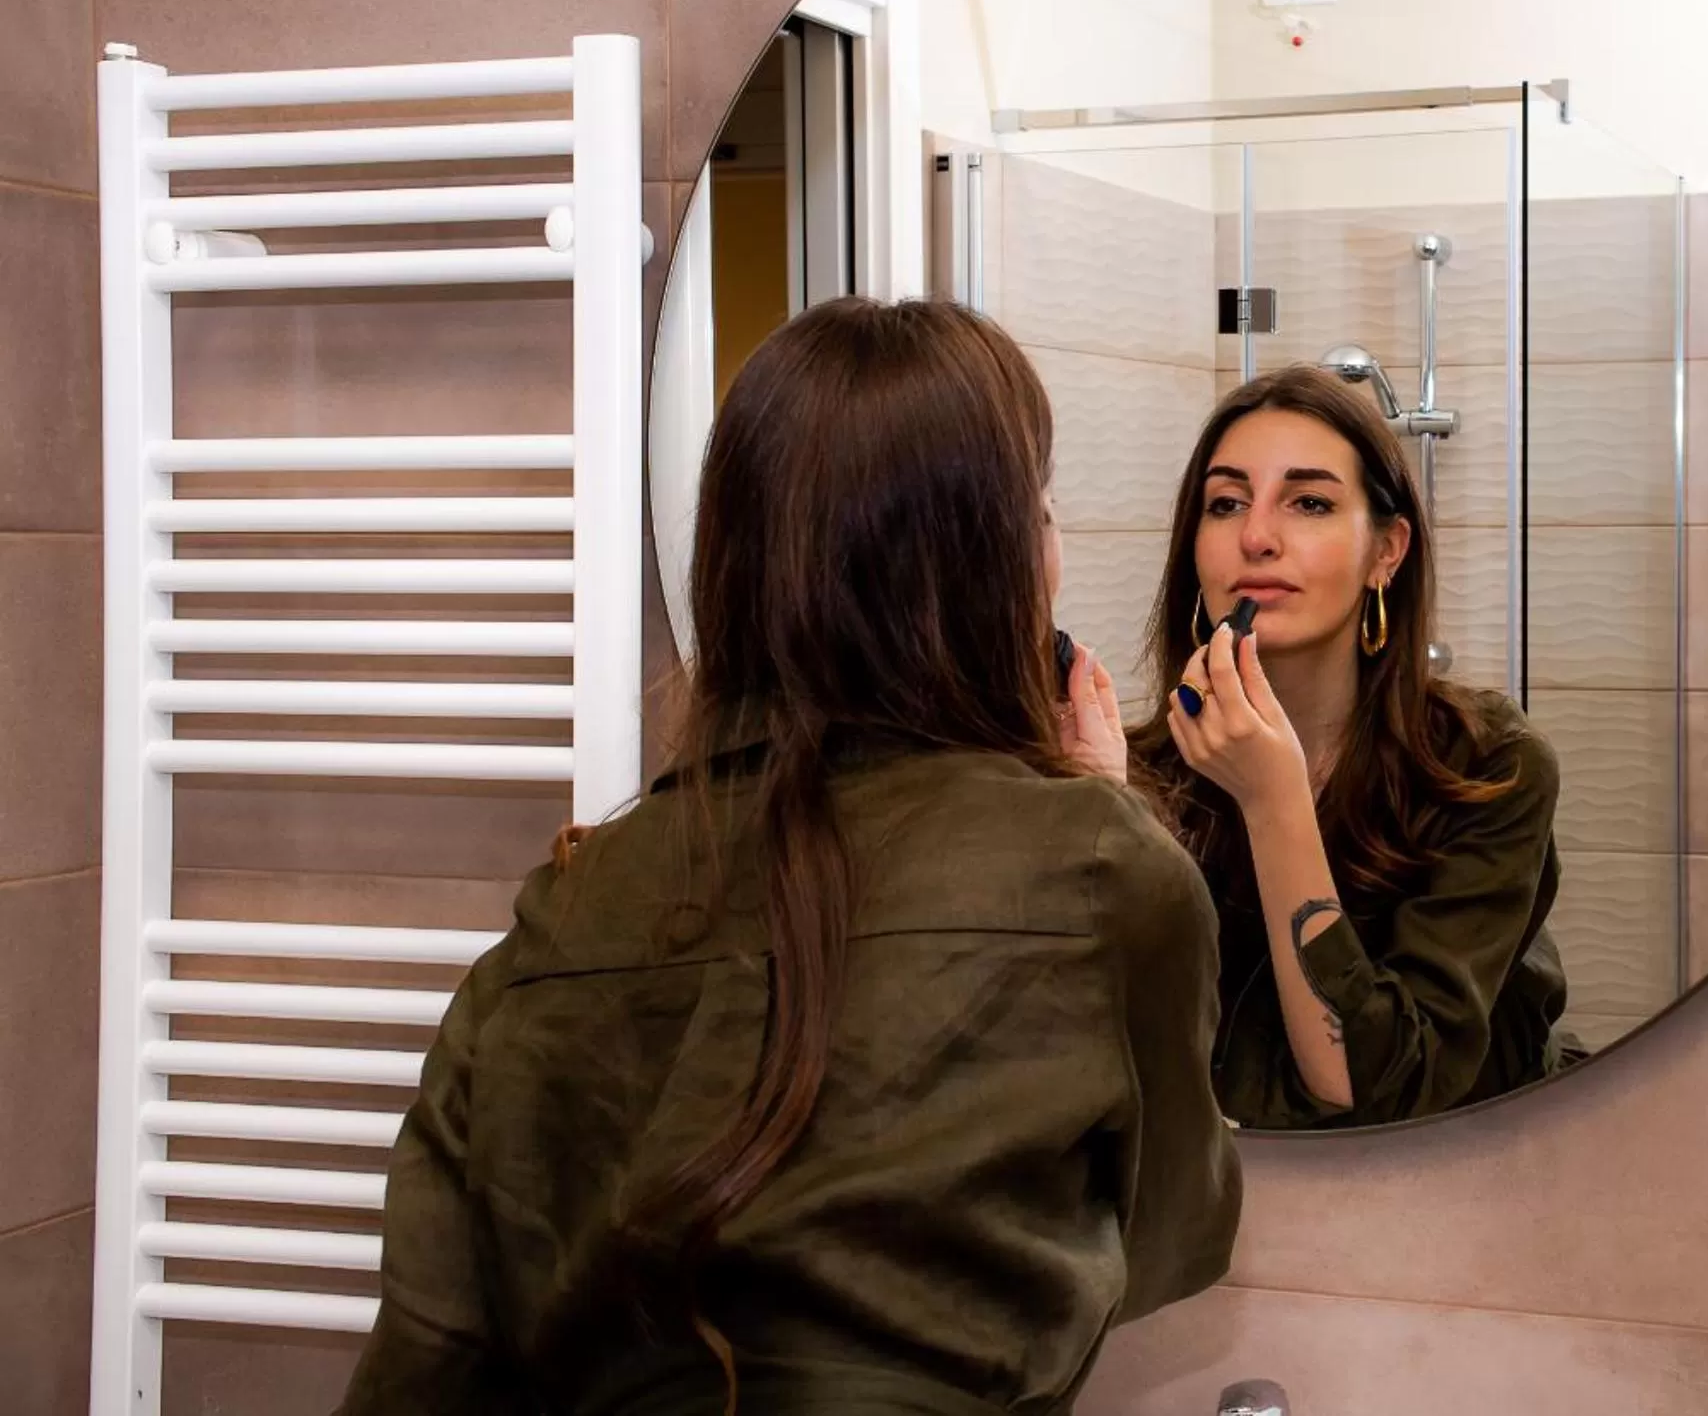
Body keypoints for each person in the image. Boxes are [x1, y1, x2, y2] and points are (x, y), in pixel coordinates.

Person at [340, 298, 1240, 1416]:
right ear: (996, 571)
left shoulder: (559, 918)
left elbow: (424, 1367)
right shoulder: (1099, 874)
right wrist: (1095, 816)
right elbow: (1173, 1243)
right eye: (1043, 517)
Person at [1128, 364, 1575, 1131]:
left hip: (1466, 1191)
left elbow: (1373, 1089)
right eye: (1226, 503)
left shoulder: (1489, 770)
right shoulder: (1148, 773)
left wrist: (1274, 803)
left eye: (1309, 503)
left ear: (1386, 551)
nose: (1257, 538)